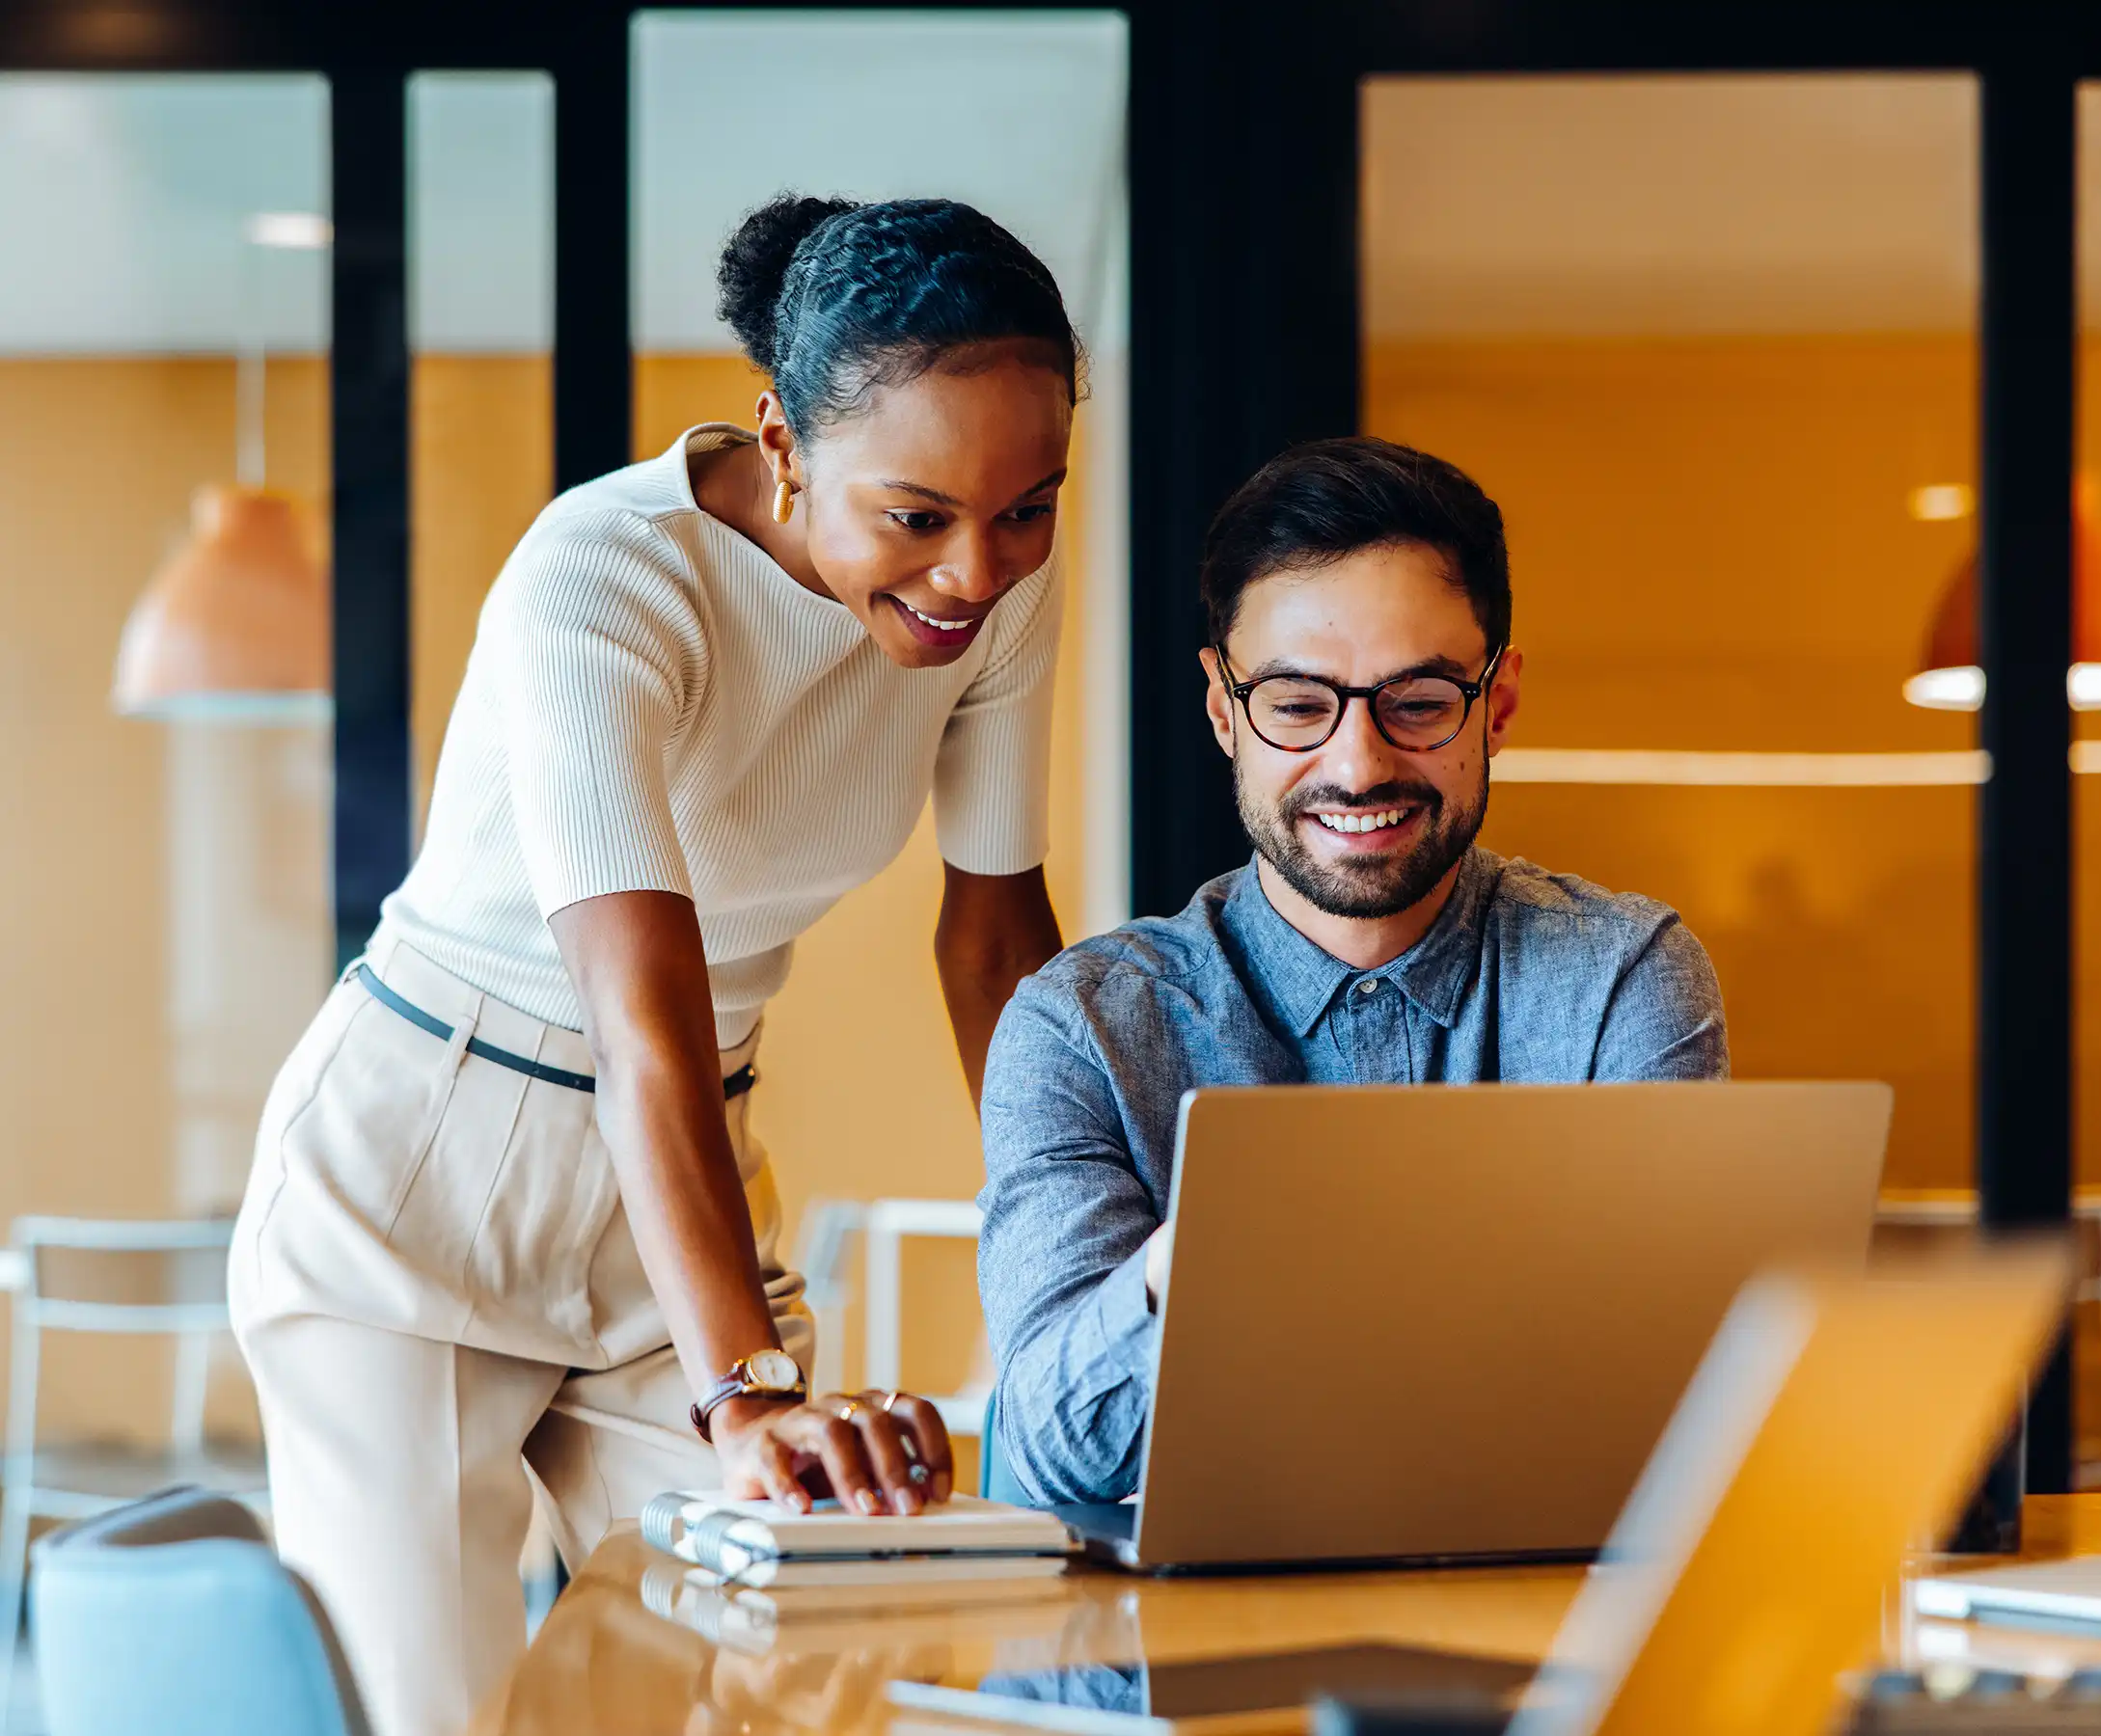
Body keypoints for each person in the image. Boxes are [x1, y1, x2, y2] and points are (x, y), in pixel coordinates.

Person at [231, 194, 1078, 1736]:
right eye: (918, 515)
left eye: (1029, 506)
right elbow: (643, 1019)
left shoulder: (994, 587)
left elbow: (998, 942)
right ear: (782, 441)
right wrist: (747, 1391)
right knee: (441, 1715)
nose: (976, 569)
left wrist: (1082, 1257)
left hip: (680, 1175)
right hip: (417, 1189)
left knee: (795, 1667)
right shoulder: (603, 580)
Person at [976, 435, 1729, 1505]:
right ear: (1222, 710)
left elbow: (1679, 1406)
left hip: (1528, 1640)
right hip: (1182, 1653)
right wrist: (1219, 1251)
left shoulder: (1621, 980)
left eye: (1418, 702)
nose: (1358, 762)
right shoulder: (1082, 1027)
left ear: (1497, 705)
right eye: (1294, 705)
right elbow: (1057, 1446)